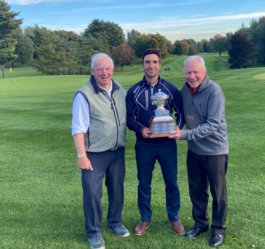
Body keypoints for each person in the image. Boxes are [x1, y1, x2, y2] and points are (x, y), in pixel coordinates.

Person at [71, 53, 130, 249]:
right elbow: (78, 128)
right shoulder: (84, 94)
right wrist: (81, 156)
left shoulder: (121, 90)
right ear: (92, 71)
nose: (104, 73)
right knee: (92, 193)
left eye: (107, 68)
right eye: (100, 69)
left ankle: (115, 222)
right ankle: (94, 232)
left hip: (117, 151)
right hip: (94, 154)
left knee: (116, 189)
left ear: (112, 69)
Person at [170, 55, 229, 248]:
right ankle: (200, 224)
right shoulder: (184, 91)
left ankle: (218, 229)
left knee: (218, 192)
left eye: (196, 72)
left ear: (204, 72)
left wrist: (184, 134)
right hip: (195, 151)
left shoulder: (214, 91)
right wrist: (167, 126)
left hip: (215, 151)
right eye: (188, 72)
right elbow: (179, 115)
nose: (192, 76)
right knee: (197, 190)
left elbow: (212, 124)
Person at [126, 48, 185, 236]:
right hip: (144, 146)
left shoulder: (170, 89)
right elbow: (129, 118)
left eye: (154, 62)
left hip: (167, 144)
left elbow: (181, 114)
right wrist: (140, 129)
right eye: (147, 62)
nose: (151, 65)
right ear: (142, 65)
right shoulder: (134, 91)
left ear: (160, 64)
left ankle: (174, 218)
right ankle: (145, 218)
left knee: (172, 182)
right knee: (144, 183)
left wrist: (177, 128)